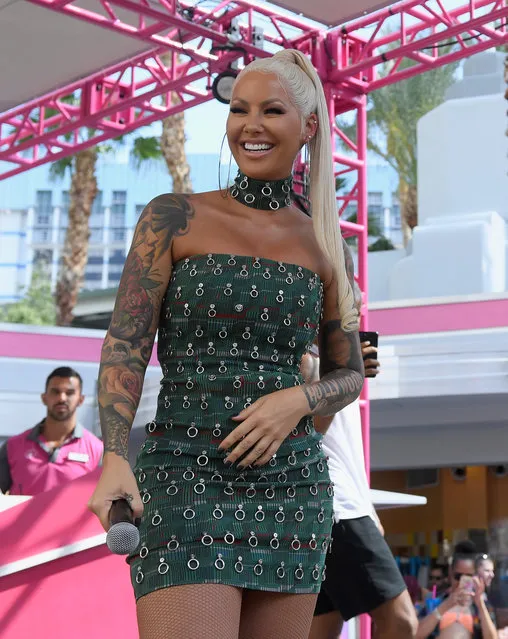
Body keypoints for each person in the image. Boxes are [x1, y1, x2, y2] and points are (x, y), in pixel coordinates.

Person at [87, 49, 365, 639]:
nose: (250, 125)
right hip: (184, 474)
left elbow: (349, 375)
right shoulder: (172, 217)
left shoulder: (325, 245)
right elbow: (127, 342)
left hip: (293, 489)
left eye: (271, 110)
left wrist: (297, 400)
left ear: (307, 126)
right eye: (239, 110)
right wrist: (115, 454)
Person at [305, 339, 418, 639]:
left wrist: (367, 507)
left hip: (339, 505)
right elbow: (312, 433)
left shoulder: (337, 364)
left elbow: (346, 450)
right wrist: (339, 373)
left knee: (323, 628)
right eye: (346, 309)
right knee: (402, 621)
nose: (351, 320)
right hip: (333, 506)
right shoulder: (305, 360)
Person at [0, 366, 103, 496]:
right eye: (55, 392)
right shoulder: (12, 447)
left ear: (81, 400)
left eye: (70, 392)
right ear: (44, 397)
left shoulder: (98, 450)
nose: (62, 398)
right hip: (24, 517)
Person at [416, 540, 497, 638]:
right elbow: (416, 635)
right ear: (451, 572)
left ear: (475, 575)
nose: (462, 581)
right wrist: (446, 605)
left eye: (468, 576)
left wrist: (480, 605)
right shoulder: (435, 599)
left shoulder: (480, 604)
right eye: (458, 576)